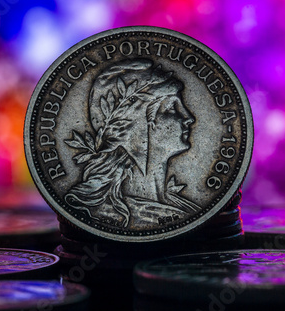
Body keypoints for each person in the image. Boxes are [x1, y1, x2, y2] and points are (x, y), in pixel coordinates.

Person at [64, 59, 200, 229]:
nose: (188, 117)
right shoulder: (101, 210)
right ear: (138, 124)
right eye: (172, 108)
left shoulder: (188, 208)